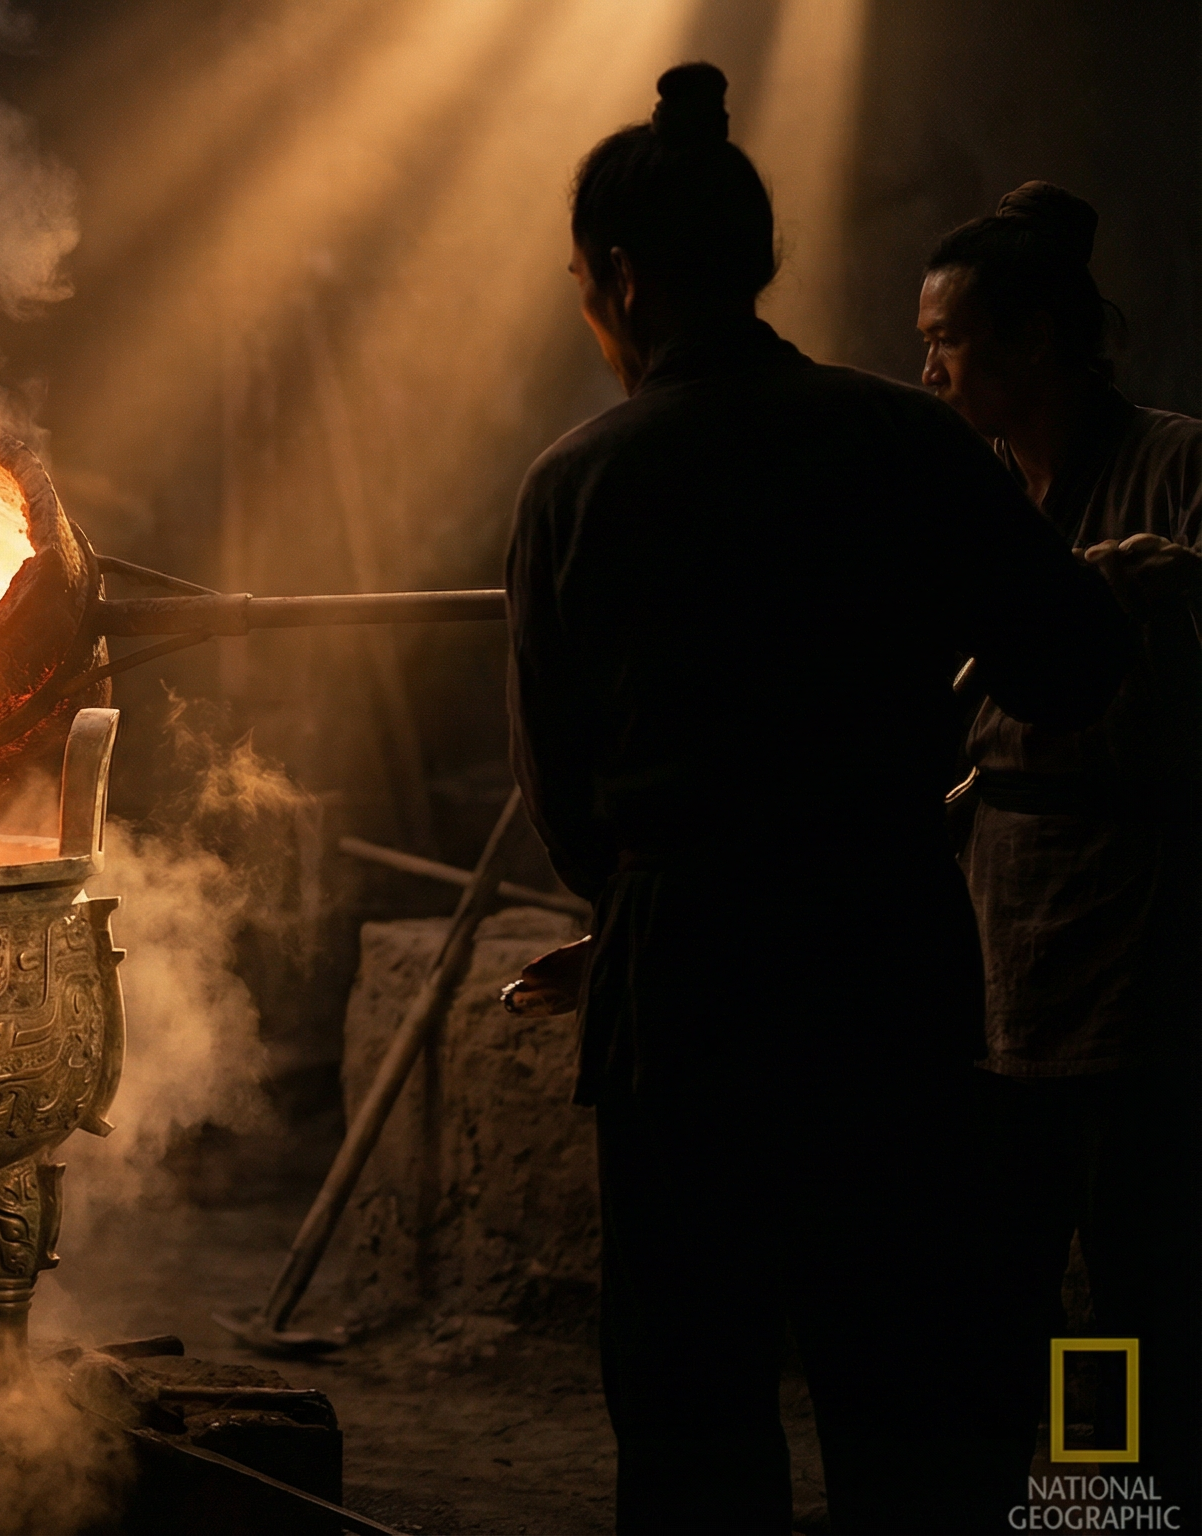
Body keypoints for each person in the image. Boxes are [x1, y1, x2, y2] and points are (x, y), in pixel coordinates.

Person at [505, 65, 1127, 1532]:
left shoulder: (575, 485)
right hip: (884, 971)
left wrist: (663, 881)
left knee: (693, 1410)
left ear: (621, 280)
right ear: (759, 269)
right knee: (904, 1389)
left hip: (683, 998)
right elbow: (1073, 662)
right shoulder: (906, 443)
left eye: (584, 281)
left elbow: (564, 797)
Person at [920, 182, 1202, 1500]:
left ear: (1037, 340)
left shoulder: (1177, 466)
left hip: (1135, 915)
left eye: (953, 340)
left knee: (1129, 1272)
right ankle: (981, 1498)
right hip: (995, 921)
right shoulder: (962, 500)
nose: (930, 367)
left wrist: (1148, 586)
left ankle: (1115, 1497)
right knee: (989, 1266)